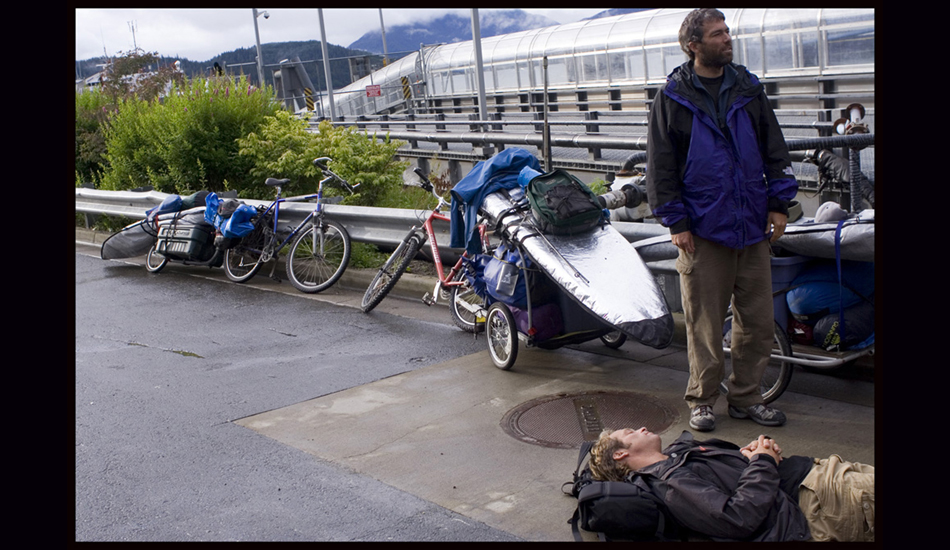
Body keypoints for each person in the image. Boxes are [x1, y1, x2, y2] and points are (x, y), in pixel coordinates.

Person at [645, 8, 799, 431]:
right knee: (705, 324)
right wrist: (676, 221)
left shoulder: (748, 89)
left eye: (727, 31)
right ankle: (702, 400)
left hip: (751, 225)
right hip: (702, 230)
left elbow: (774, 148)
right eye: (717, 34)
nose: (727, 39)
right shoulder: (672, 97)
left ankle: (747, 398)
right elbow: (660, 165)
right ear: (694, 45)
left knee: (758, 323)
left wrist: (779, 204)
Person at [588, 428, 874, 542]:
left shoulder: (676, 458)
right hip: (822, 499)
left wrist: (751, 455)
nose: (640, 429)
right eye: (630, 432)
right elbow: (737, 517)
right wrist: (762, 462)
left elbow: (734, 482)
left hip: (826, 478)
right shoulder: (669, 483)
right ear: (621, 454)